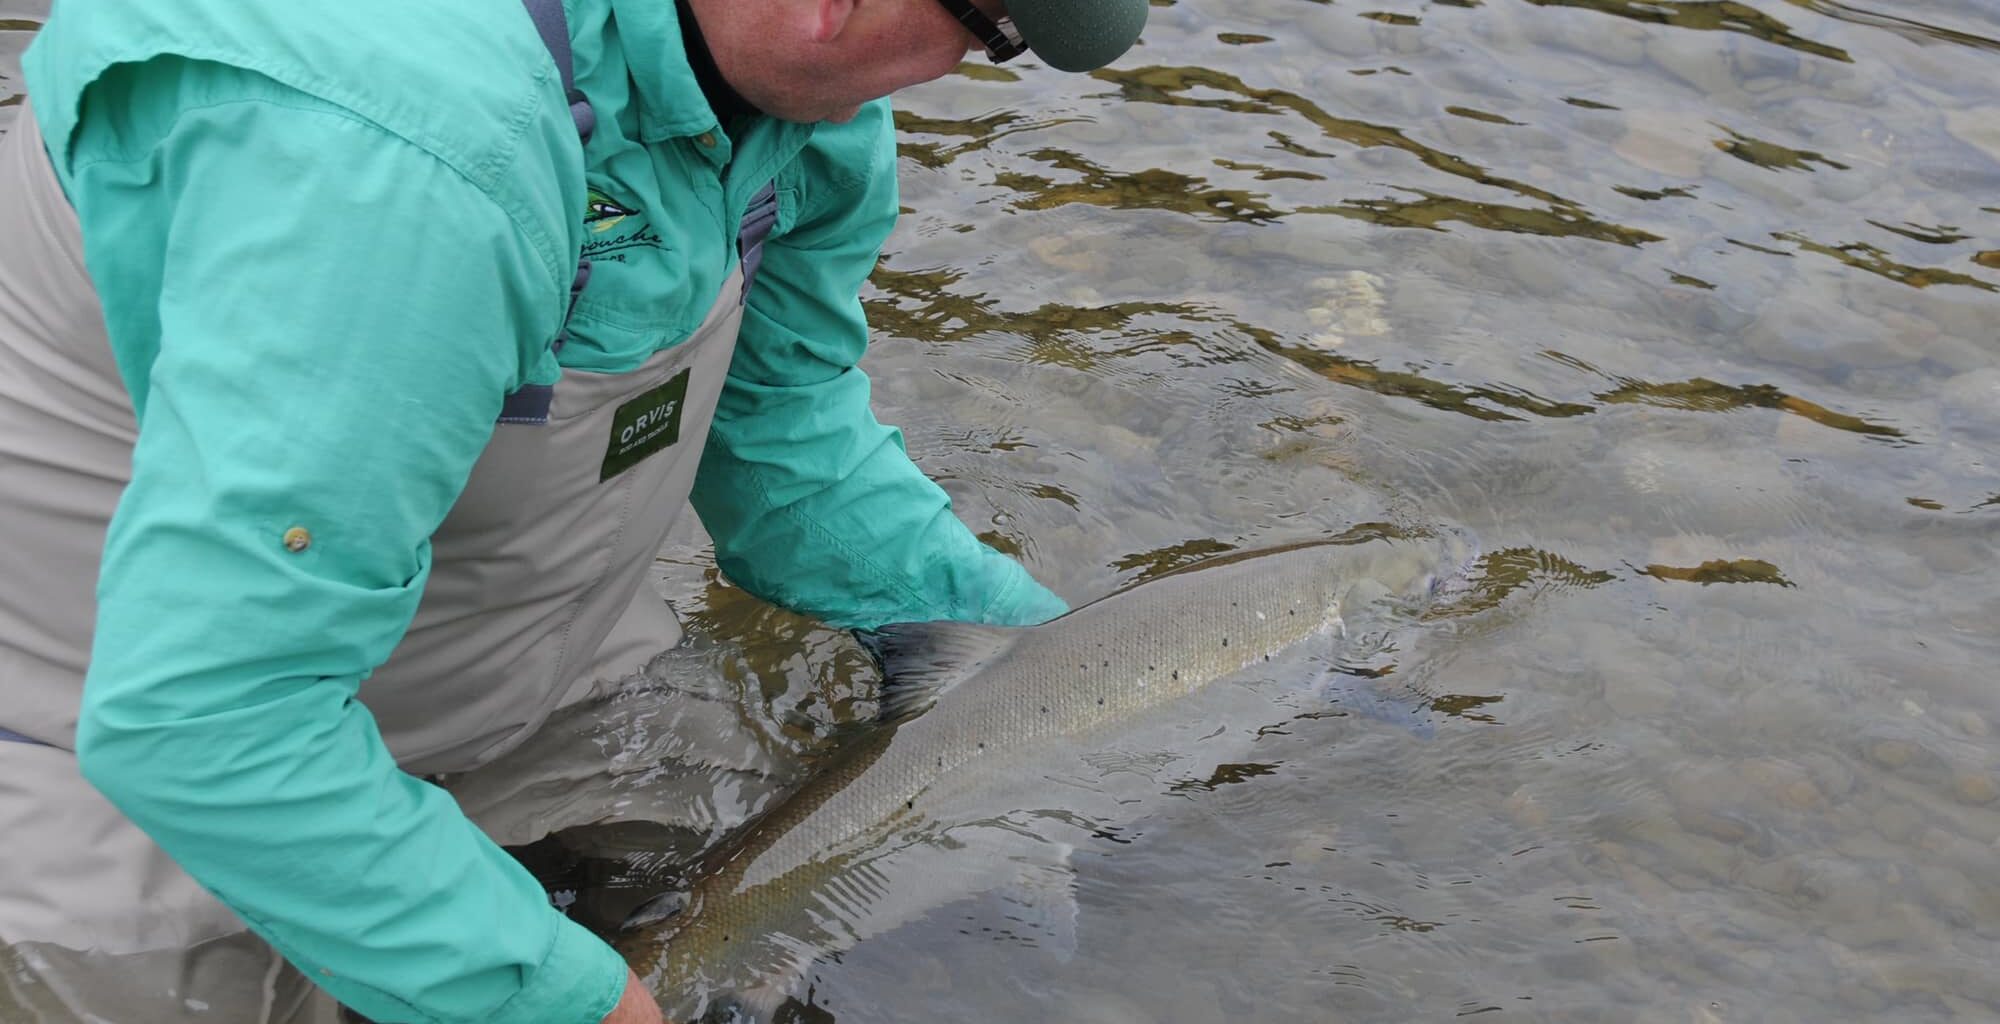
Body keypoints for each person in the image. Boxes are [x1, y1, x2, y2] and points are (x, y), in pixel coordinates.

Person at [0, 0, 1148, 1021]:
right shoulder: (405, 153)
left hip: (528, 676)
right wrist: (573, 999)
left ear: (986, 48)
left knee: (815, 923)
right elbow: (201, 723)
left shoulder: (804, 122)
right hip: (137, 770)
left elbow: (787, 444)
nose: (820, 11)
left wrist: (1055, 664)